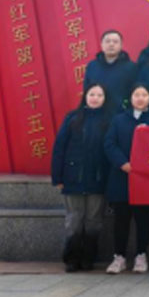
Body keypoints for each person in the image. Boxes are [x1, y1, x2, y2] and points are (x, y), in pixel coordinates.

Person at [51, 83, 114, 272]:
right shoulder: (72, 118)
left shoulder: (109, 120)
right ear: (85, 96)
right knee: (74, 220)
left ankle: (88, 258)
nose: (95, 98)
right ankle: (71, 259)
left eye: (100, 95)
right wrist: (57, 177)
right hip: (73, 178)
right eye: (92, 94)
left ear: (105, 99)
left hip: (97, 178)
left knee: (94, 221)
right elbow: (59, 148)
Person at [103, 83, 149, 274]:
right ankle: (119, 257)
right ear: (130, 98)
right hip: (122, 176)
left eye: (144, 94)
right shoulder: (119, 119)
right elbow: (109, 144)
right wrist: (123, 163)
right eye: (137, 94)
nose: (140, 98)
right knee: (121, 219)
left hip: (145, 179)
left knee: (143, 219)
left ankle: (141, 255)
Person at [83, 30, 138, 111]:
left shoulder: (131, 67)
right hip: (97, 113)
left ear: (121, 45)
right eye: (107, 41)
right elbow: (87, 90)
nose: (111, 44)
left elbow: (136, 91)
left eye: (115, 42)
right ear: (101, 44)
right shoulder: (92, 66)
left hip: (122, 113)